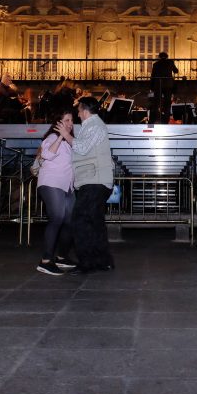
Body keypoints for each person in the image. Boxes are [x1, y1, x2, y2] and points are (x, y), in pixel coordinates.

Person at [56, 96, 114, 273]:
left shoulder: (95, 126)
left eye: (79, 111)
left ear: (86, 110)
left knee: (80, 221)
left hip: (93, 180)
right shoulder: (93, 126)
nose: (78, 115)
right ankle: (103, 261)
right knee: (95, 222)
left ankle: (87, 262)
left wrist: (65, 135)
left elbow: (81, 148)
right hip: (95, 180)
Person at [35, 112, 77, 276]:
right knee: (58, 218)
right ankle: (45, 261)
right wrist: (60, 137)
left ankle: (61, 257)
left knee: (70, 221)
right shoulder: (52, 137)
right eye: (67, 120)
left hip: (67, 186)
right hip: (51, 183)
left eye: (72, 120)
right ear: (58, 122)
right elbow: (46, 155)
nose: (70, 123)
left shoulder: (69, 142)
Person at [150, 51, 178, 123]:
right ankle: (165, 121)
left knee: (156, 103)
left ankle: (153, 121)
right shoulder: (170, 62)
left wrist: (151, 86)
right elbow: (176, 71)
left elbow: (153, 76)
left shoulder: (156, 64)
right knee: (167, 104)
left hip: (158, 84)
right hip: (168, 85)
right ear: (167, 57)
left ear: (159, 57)